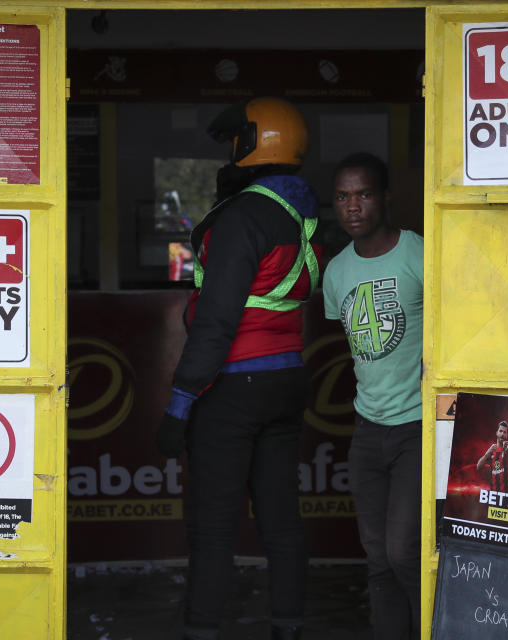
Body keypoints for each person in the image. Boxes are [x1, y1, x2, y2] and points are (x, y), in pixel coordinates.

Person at [155, 97, 321, 640]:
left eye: (234, 143)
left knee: (213, 526)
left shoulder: (241, 217)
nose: (229, 154)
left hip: (232, 388)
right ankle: (288, 627)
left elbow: (217, 320)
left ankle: (201, 629)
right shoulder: (309, 217)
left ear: (250, 145)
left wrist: (180, 404)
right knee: (281, 520)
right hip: (287, 381)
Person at [322, 152, 424, 639]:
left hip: (417, 425)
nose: (353, 206)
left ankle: (441, 621)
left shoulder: (419, 253)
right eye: (343, 196)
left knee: (403, 550)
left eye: (363, 194)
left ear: (385, 198)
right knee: (378, 558)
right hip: (367, 431)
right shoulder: (336, 271)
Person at [476, 420, 508, 493]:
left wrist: (507, 449)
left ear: (507, 435)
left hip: (506, 494)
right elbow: (478, 466)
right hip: (493, 494)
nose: (502, 434)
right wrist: (487, 453)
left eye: (504, 432)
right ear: (497, 433)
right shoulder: (492, 450)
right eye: (500, 431)